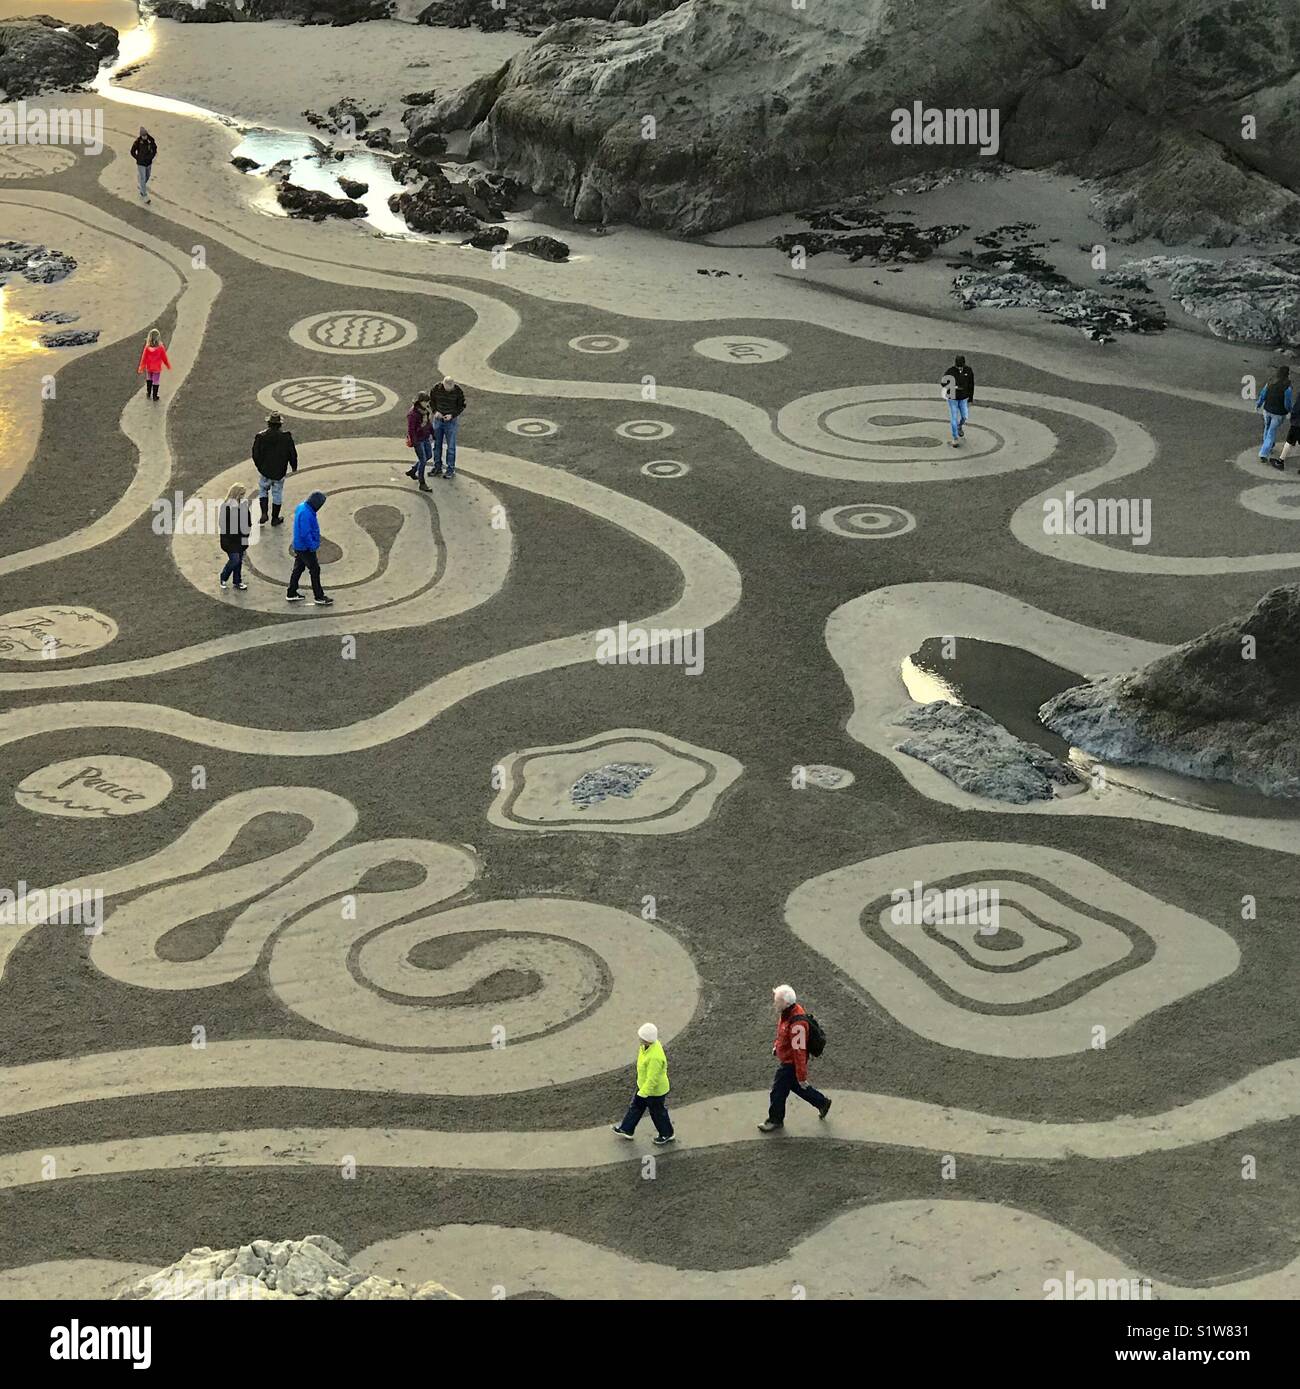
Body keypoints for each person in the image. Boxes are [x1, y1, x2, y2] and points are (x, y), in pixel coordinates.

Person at [757, 985, 831, 1133]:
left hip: (790, 1064)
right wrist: (777, 1047)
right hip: (788, 1059)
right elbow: (782, 1034)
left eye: (777, 1001)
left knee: (777, 1091)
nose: (774, 1004)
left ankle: (775, 1120)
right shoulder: (787, 1013)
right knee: (796, 1086)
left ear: (785, 1003)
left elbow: (799, 1052)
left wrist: (801, 1075)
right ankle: (821, 1102)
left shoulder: (798, 1024)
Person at [611, 1022, 675, 1146]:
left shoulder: (654, 1057)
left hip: (654, 1091)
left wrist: (643, 1093)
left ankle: (667, 1134)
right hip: (644, 1086)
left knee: (657, 1113)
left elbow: (653, 1079)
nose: (639, 1039)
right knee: (636, 1107)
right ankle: (626, 1129)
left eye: (641, 1037)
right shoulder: (646, 1047)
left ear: (647, 1040)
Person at [286, 491, 333, 606]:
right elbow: (305, 533)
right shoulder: (307, 514)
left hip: (300, 545)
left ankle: (291, 592)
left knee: (298, 568)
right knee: (315, 570)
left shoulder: (302, 507)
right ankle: (319, 596)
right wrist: (312, 546)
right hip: (305, 547)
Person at [252, 412, 299, 527]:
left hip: (265, 470)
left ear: (268, 423)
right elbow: (292, 454)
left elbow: (255, 453)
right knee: (277, 494)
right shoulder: (286, 437)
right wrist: (294, 466)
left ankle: (264, 513)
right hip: (279, 471)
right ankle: (275, 518)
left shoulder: (261, 437)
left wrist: (260, 466)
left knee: (263, 490)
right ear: (280, 425)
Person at [428, 374, 466, 479]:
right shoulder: (436, 389)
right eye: (447, 388)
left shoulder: (458, 391)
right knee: (437, 445)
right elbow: (431, 402)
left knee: (451, 447)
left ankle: (450, 469)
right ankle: (437, 467)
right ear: (443, 384)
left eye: (450, 388)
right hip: (438, 420)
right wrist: (435, 412)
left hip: (451, 421)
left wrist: (452, 415)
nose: (449, 390)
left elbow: (462, 405)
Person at [1257, 366, 1294, 468]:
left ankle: (1268, 446)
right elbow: (1287, 402)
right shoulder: (1287, 387)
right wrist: (1289, 410)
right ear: (1287, 374)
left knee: (1267, 428)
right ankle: (1264, 453)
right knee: (1271, 432)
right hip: (1278, 413)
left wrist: (1259, 404)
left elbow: (1263, 394)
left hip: (1267, 409)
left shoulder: (1270, 381)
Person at [218, 483, 252, 592]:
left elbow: (248, 519)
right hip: (230, 540)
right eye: (241, 494)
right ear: (236, 494)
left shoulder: (243, 505)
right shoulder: (226, 506)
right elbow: (222, 523)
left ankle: (237, 581)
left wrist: (246, 531)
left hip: (241, 539)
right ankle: (224, 576)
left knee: (239, 561)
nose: (243, 496)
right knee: (235, 560)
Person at [941, 354, 975, 447]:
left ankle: (960, 426)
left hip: (963, 398)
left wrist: (970, 398)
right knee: (954, 419)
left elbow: (971, 385)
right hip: (953, 398)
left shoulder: (968, 370)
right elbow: (943, 382)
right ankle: (955, 438)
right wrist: (954, 386)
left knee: (965, 416)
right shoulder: (950, 371)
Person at [405, 391, 435, 491]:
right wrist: (415, 442)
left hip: (425, 437)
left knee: (429, 455)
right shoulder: (412, 414)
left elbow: (429, 423)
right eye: (425, 401)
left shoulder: (425, 410)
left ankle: (413, 470)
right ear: (420, 401)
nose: (427, 403)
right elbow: (411, 430)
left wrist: (433, 433)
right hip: (418, 440)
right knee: (423, 460)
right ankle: (422, 483)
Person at [137, 328, 170, 401]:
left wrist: (141, 367)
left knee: (149, 378)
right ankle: (155, 396)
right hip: (156, 368)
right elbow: (164, 357)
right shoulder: (161, 348)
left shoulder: (147, 347)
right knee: (156, 381)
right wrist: (167, 365)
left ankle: (148, 393)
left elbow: (144, 358)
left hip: (149, 367)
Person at [130, 127, 157, 203]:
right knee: (143, 178)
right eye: (143, 135)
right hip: (141, 163)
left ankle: (142, 187)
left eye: (145, 135)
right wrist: (137, 158)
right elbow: (132, 151)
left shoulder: (150, 140)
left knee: (147, 176)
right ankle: (144, 195)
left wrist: (151, 157)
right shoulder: (137, 142)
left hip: (148, 163)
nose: (144, 136)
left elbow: (154, 148)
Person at [1279, 391, 1300, 471]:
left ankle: (1281, 461)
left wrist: (1293, 418)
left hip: (1297, 424)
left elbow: (1296, 409)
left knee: (1289, 441)